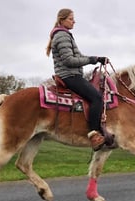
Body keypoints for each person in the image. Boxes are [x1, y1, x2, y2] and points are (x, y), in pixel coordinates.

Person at [46, 8, 109, 151]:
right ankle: (94, 135)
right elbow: (69, 60)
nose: (74, 21)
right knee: (97, 98)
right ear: (62, 20)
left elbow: (78, 57)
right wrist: (93, 60)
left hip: (71, 74)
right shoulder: (62, 35)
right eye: (70, 18)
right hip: (69, 75)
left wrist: (96, 59)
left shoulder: (65, 35)